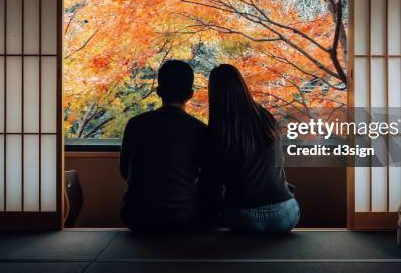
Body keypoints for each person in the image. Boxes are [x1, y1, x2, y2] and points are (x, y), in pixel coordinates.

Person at [198, 64, 299, 233]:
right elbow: (280, 162)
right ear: (242, 85)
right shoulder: (266, 118)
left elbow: (211, 185)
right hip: (286, 214)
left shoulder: (219, 131)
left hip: (245, 218)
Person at [120, 60, 207, 233]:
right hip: (184, 216)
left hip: (137, 216)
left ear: (158, 91)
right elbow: (207, 179)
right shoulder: (200, 129)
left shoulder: (135, 124)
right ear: (191, 94)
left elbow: (124, 170)